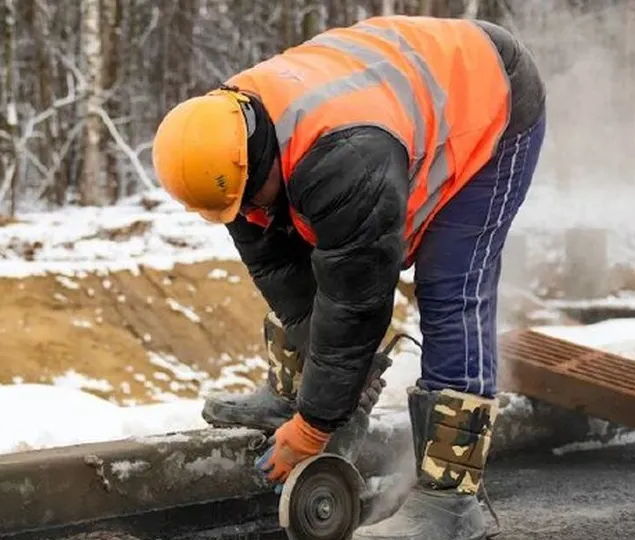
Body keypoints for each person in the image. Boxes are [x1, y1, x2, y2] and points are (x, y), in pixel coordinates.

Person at [151, 14, 545, 540]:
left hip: (491, 101)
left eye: (248, 199)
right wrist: (326, 400)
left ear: (258, 160)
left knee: (451, 288)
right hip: (397, 99)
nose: (246, 214)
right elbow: (284, 274)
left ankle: (452, 501)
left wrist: (315, 428)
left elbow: (358, 299)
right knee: (295, 242)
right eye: (234, 207)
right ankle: (300, 394)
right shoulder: (222, 138)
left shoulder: (345, 158)